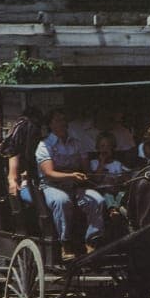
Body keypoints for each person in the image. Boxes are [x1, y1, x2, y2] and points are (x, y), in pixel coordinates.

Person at [35, 108, 105, 261]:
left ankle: (91, 241)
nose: (63, 123)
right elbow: (49, 173)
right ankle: (65, 244)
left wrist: (98, 165)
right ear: (50, 124)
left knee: (98, 200)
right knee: (62, 201)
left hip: (76, 185)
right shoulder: (44, 145)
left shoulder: (77, 143)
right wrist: (71, 175)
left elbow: (85, 168)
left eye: (64, 119)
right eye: (58, 120)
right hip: (52, 186)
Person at [0, 105, 43, 207]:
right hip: (24, 179)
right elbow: (14, 153)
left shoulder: (19, 125)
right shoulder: (27, 127)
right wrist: (12, 180)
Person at [88, 130, 131, 219]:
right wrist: (102, 162)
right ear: (98, 148)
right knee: (107, 194)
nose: (105, 149)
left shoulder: (117, 163)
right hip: (104, 190)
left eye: (108, 146)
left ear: (113, 148)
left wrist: (121, 178)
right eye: (102, 146)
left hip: (117, 189)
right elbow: (96, 179)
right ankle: (113, 209)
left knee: (122, 193)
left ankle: (117, 208)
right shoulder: (94, 163)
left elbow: (127, 175)